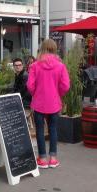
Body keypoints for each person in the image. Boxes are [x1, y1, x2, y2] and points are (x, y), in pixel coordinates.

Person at [27, 39, 70, 169]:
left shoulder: (35, 65)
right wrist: (58, 94)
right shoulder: (60, 66)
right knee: (53, 129)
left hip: (39, 102)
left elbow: (30, 85)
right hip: (54, 102)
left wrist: (36, 94)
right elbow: (66, 85)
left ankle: (42, 159)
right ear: (54, 49)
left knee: (39, 130)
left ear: (42, 48)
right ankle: (53, 159)